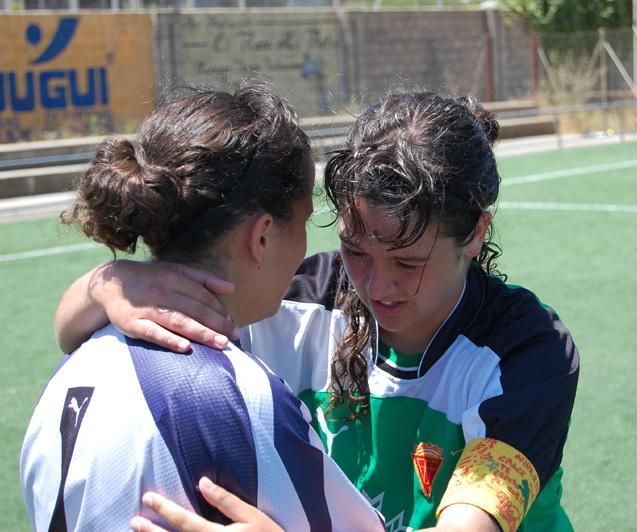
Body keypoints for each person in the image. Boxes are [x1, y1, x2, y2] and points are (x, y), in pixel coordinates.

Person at [54, 92, 580, 532]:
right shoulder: (294, 301)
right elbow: (68, 329)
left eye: (407, 261)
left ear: (475, 234)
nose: (378, 285)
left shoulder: (525, 352)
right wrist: (112, 284)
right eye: (356, 250)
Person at [20, 83, 384, 532]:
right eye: (304, 221)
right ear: (263, 235)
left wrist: (102, 284)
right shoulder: (239, 400)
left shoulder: (73, 367)